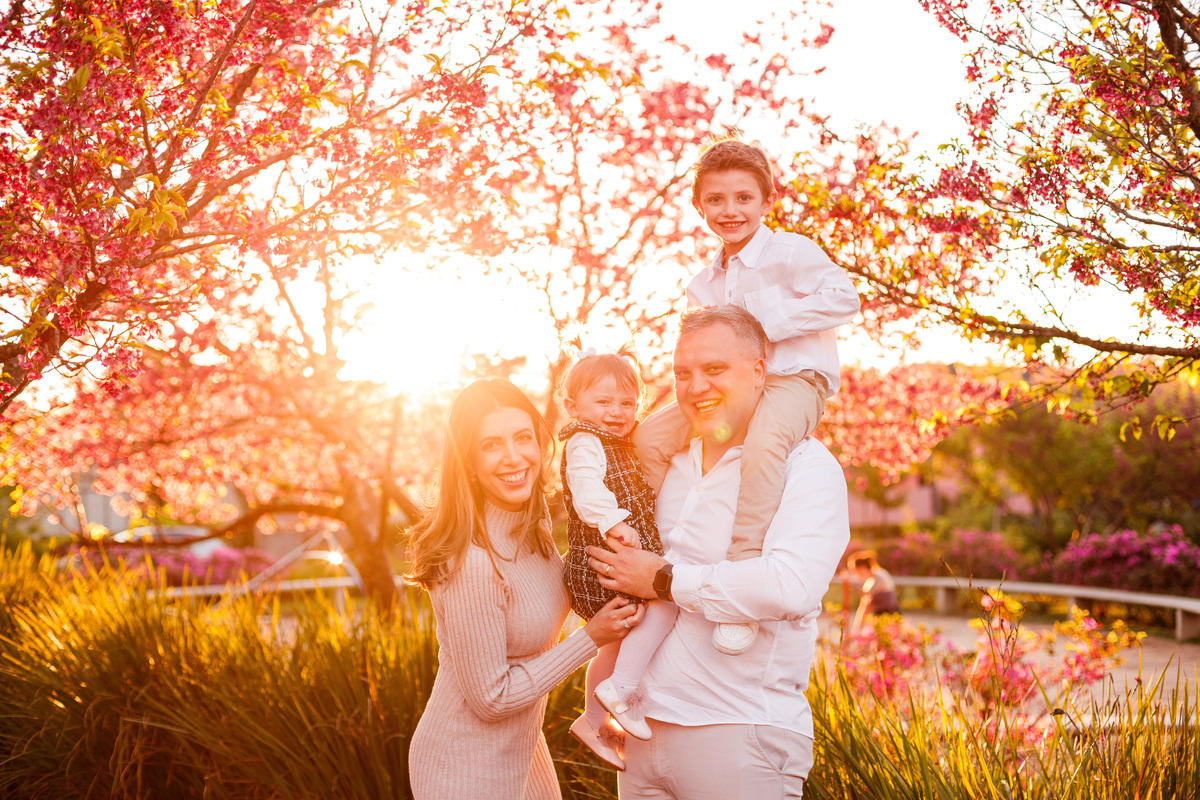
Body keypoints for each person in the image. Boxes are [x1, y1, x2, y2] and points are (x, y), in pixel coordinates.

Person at [589, 306, 850, 799]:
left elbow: (789, 586)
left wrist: (663, 579)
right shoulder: (669, 465)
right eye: (682, 373)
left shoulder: (806, 466)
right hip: (640, 735)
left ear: (758, 371)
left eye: (714, 369)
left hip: (740, 734)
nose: (695, 386)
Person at [633, 138, 859, 656]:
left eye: (743, 198)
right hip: (729, 390)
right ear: (699, 207)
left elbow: (844, 297)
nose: (730, 210)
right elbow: (698, 350)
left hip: (792, 381)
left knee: (762, 446)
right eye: (716, 200)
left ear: (766, 202)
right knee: (646, 438)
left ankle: (738, 570)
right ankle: (648, 552)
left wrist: (767, 325)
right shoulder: (703, 283)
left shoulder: (791, 252)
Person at [406, 378, 645, 800]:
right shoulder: (471, 563)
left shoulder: (532, 530)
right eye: (491, 445)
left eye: (522, 438)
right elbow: (491, 698)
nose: (513, 457)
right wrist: (592, 638)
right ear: (469, 462)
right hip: (461, 765)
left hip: (523, 751)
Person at [559, 349, 679, 766]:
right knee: (666, 605)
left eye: (627, 403)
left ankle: (592, 721)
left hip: (611, 559)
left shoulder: (620, 442)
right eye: (603, 402)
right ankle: (622, 689)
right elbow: (585, 487)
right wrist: (611, 522)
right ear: (573, 407)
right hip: (603, 561)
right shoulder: (585, 442)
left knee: (610, 644)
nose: (617, 412)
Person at [844, 550, 900, 635]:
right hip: (879, 614)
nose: (856, 575)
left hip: (889, 613)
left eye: (856, 571)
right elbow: (864, 605)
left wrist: (850, 581)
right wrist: (857, 627)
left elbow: (866, 593)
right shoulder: (871, 580)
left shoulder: (880, 576)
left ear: (862, 567)